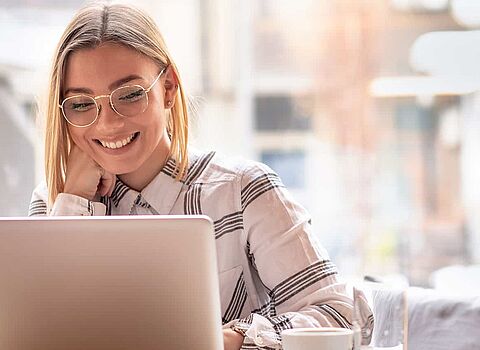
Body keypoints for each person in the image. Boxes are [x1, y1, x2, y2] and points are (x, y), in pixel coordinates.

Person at [28, 2, 374, 349]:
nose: (108, 123)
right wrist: (73, 202)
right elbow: (34, 332)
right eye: (81, 104)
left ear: (168, 89)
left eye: (130, 95)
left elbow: (341, 315)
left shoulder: (242, 190)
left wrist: (228, 339)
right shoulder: (54, 201)